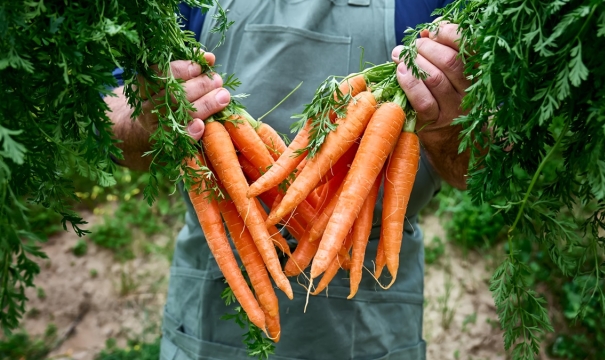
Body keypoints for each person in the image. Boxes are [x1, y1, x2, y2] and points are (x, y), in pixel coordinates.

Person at [104, 0, 470, 359]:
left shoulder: (439, 7)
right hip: (212, 294)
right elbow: (103, 120)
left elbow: (478, 168)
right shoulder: (166, 9)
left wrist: (449, 129)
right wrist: (147, 119)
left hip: (372, 313)